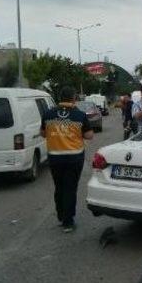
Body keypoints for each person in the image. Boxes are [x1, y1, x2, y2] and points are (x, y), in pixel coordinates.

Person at [41, 86, 94, 233]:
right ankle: (68, 222)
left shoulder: (48, 114)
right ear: (73, 98)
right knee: (70, 188)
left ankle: (61, 215)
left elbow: (43, 133)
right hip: (74, 158)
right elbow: (89, 135)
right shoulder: (80, 115)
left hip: (55, 157)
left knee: (59, 187)